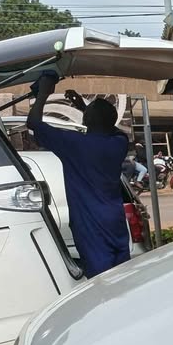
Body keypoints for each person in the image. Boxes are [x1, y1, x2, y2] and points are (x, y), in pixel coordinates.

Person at [28, 75, 130, 278]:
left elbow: (33, 123)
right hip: (115, 221)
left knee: (101, 282)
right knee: (122, 277)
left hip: (92, 225)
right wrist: (84, 108)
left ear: (87, 121)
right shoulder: (119, 144)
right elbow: (112, 128)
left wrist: (43, 94)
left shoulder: (74, 144)